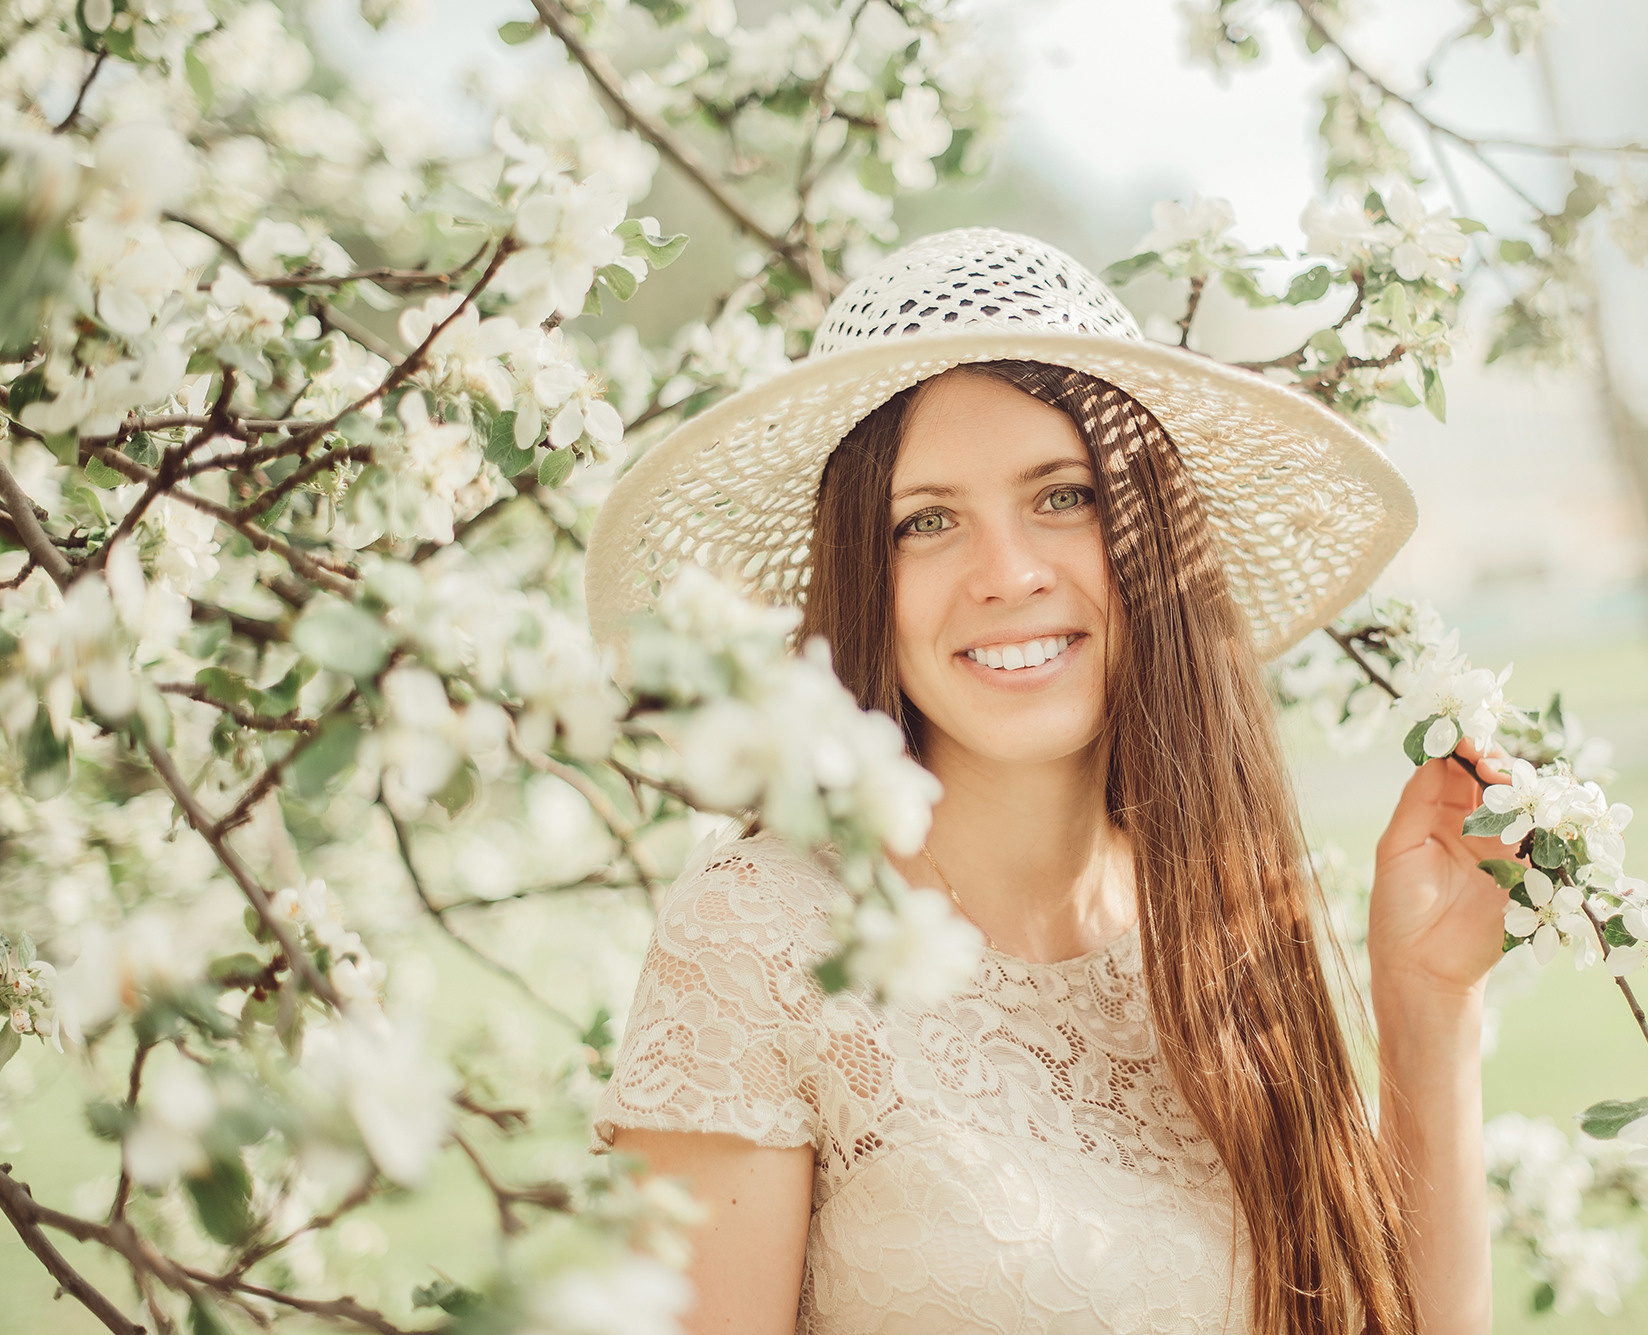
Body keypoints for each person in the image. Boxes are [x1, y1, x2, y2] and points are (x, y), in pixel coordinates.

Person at [581, 228, 1518, 1335]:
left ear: (1146, 539)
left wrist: (1427, 1006)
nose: (1008, 574)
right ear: (861, 581)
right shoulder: (762, 935)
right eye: (924, 522)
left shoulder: (1220, 909)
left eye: (1062, 496)